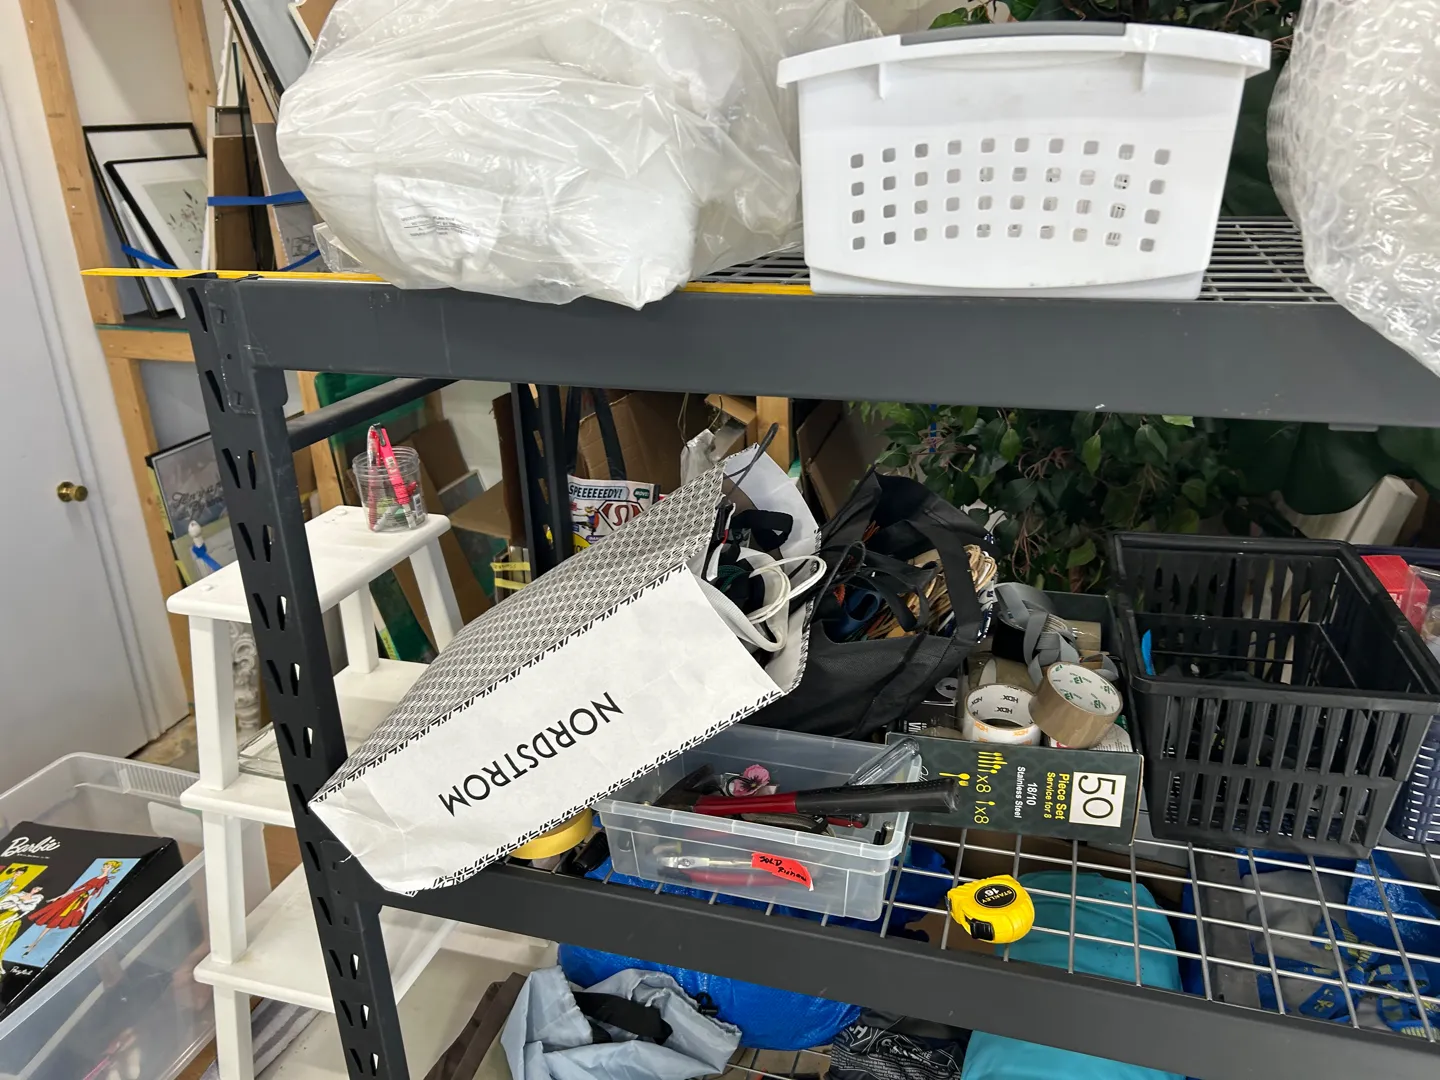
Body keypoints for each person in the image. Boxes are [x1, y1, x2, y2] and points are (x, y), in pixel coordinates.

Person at [21, 859, 124, 958]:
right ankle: (34, 944)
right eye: (105, 865)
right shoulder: (97, 877)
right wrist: (59, 896)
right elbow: (77, 888)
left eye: (108, 866)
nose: (105, 867)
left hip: (78, 900)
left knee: (58, 919)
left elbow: (92, 894)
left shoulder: (103, 879)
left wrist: (82, 906)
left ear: (111, 868)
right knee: (53, 914)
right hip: (72, 897)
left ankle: (34, 944)